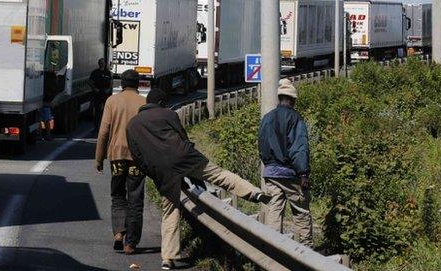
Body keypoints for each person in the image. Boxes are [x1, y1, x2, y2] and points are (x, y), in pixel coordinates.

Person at [126, 89, 271, 270]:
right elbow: (183, 137)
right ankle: (253, 193)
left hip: (161, 170)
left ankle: (168, 258)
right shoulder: (168, 114)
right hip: (185, 158)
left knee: (170, 210)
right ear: (162, 102)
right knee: (218, 175)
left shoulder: (132, 125)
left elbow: (137, 156)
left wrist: (155, 172)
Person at [95, 70, 146, 255]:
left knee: (117, 196)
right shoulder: (144, 103)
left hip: (116, 156)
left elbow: (103, 132)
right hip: (138, 158)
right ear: (138, 84)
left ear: (121, 83)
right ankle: (130, 244)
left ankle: (118, 233)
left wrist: (99, 158)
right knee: (135, 199)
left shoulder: (112, 101)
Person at [258, 79, 313, 247]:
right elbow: (299, 147)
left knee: (274, 211)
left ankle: (273, 250)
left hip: (270, 173)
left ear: (279, 98)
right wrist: (303, 173)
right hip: (290, 174)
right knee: (301, 211)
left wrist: (269, 164)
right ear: (293, 100)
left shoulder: (267, 118)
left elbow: (261, 144)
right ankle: (306, 252)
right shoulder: (295, 118)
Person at [89, 58, 112, 129]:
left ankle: (105, 125)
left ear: (105, 64)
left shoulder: (108, 72)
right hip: (98, 94)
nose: (102, 64)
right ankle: (96, 126)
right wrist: (94, 89)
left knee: (106, 110)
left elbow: (111, 81)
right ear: (99, 64)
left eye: (103, 62)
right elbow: (90, 82)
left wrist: (109, 89)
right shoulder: (95, 72)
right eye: (101, 62)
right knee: (97, 110)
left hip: (106, 94)